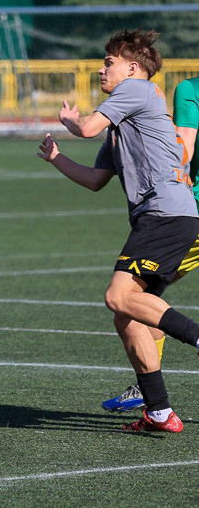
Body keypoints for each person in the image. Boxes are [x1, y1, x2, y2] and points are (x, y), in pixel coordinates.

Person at [37, 28, 199, 433]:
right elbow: (95, 180)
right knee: (128, 314)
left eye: (108, 62)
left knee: (117, 296)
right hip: (162, 217)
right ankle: (158, 412)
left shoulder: (136, 90)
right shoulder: (123, 125)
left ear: (131, 68)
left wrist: (73, 122)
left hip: (166, 214)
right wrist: (57, 158)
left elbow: (88, 127)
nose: (100, 69)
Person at [101, 73, 199, 412]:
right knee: (139, 300)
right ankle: (152, 397)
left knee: (128, 300)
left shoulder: (190, 89)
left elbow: (183, 151)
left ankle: (151, 392)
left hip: (185, 214)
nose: (101, 70)